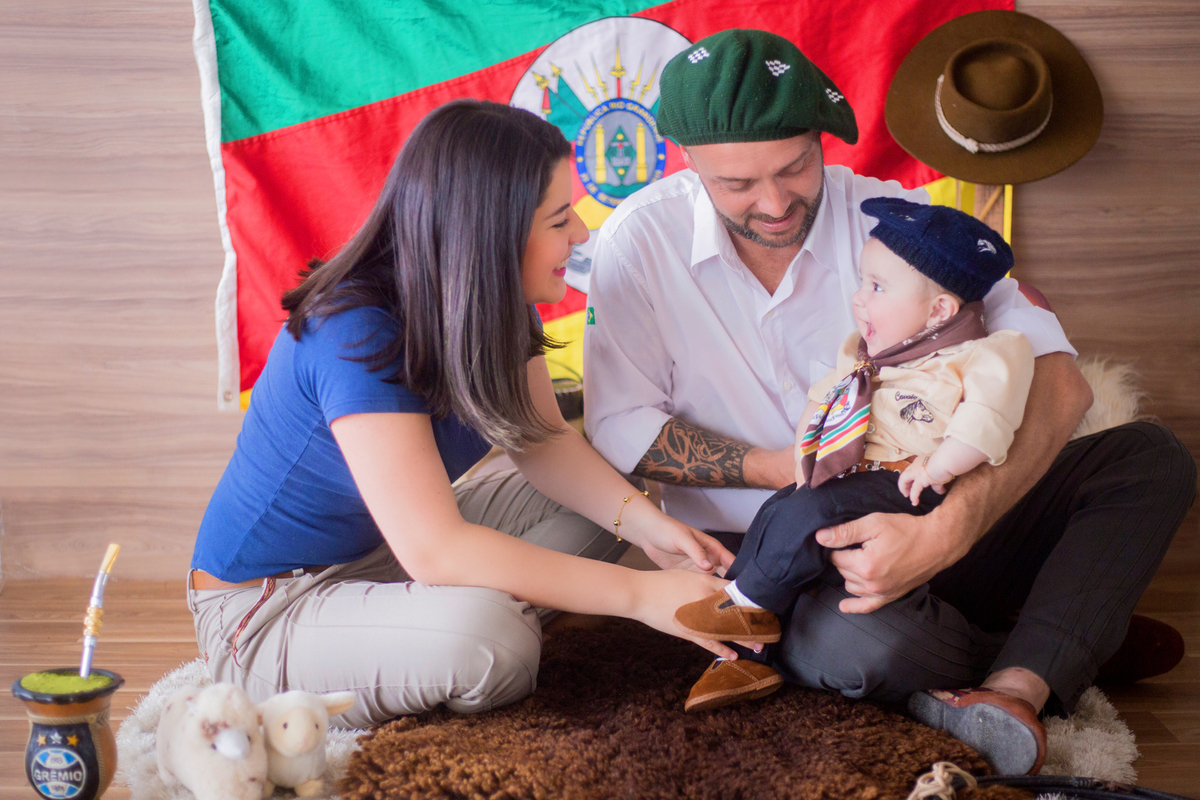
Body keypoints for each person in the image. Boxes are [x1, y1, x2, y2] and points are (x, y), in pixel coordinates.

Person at [583, 29, 1196, 774]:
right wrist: (790, 472)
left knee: (1146, 459)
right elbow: (620, 425)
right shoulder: (637, 244)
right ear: (687, 161)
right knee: (863, 650)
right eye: (737, 185)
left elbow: (1062, 380)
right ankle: (1059, 636)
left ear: (823, 138)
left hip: (938, 507)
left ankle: (1015, 684)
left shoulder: (899, 221)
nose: (774, 203)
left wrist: (950, 530)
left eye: (795, 167)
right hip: (783, 563)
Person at [187, 99, 746, 730]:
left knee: (620, 481)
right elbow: (434, 551)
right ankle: (466, 618)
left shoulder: (495, 299)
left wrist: (652, 531)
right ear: (493, 234)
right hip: (269, 607)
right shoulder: (354, 333)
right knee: (496, 644)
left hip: (389, 548)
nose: (582, 235)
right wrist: (641, 596)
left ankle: (451, 614)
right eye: (561, 219)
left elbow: (545, 444)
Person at [673, 198, 1033, 722]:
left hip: (910, 484)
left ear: (940, 311)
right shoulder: (866, 353)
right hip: (853, 478)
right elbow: (825, 401)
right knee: (780, 510)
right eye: (862, 282)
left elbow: (988, 422)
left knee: (809, 515)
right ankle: (752, 654)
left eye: (877, 288)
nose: (858, 299)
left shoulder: (984, 354)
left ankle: (745, 605)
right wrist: (804, 455)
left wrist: (939, 467)